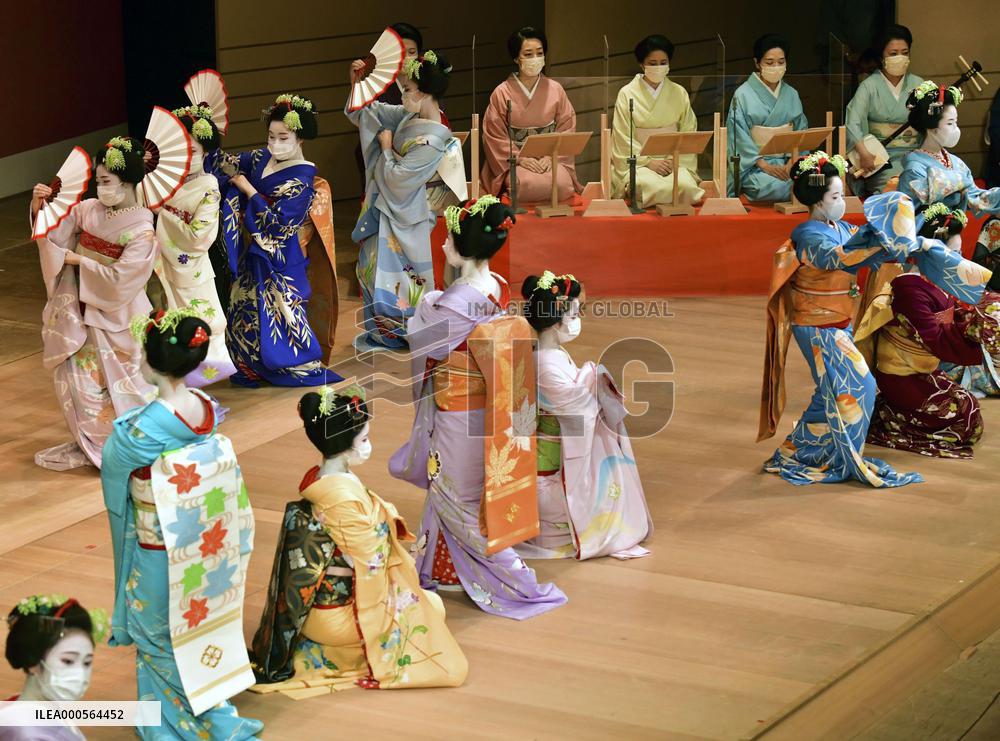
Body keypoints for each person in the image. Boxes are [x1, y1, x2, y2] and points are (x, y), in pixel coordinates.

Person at [758, 151, 991, 486]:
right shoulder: (808, 234)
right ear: (818, 202)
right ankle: (841, 457)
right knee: (861, 387)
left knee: (828, 393)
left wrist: (905, 236)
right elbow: (840, 257)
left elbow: (865, 239)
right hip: (817, 324)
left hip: (835, 320)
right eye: (836, 196)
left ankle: (799, 451)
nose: (841, 202)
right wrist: (880, 244)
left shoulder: (836, 226)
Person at [389, 195, 567, 618]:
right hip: (486, 404)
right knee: (451, 489)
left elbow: (423, 339)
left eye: (448, 238)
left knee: (457, 497)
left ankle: (518, 580)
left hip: (458, 410)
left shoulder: (456, 301)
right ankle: (434, 569)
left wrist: (421, 305)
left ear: (460, 246)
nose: (444, 244)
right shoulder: (497, 286)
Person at [100, 308, 262, 740]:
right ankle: (204, 710)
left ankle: (192, 724)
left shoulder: (141, 430)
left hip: (160, 550)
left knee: (154, 632)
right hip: (204, 545)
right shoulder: (206, 408)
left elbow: (114, 482)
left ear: (148, 361)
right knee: (194, 626)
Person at [249, 386, 468, 697]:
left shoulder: (322, 478)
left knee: (427, 604)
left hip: (328, 600)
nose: (368, 445)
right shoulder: (340, 498)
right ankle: (348, 649)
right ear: (343, 443)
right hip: (336, 613)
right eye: (363, 439)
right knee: (432, 609)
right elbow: (370, 564)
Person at [30, 137, 156, 471]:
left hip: (121, 313)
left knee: (130, 386)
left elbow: (124, 279)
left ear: (126, 182)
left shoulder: (143, 228)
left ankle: (129, 445)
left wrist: (79, 261)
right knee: (80, 386)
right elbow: (52, 238)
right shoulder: (87, 210)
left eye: (105, 182)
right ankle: (95, 442)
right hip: (82, 314)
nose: (100, 188)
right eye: (98, 181)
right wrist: (39, 208)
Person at [515, 271, 652, 560]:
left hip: (554, 462)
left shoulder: (547, 354)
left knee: (615, 495)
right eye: (576, 313)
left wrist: (591, 378)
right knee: (608, 499)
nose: (579, 320)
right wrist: (594, 377)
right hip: (547, 475)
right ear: (556, 320)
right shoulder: (545, 364)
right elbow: (580, 408)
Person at [855, 204, 1000, 457]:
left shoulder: (936, 278)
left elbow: (957, 313)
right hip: (901, 373)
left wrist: (985, 314)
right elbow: (935, 338)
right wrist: (977, 328)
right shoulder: (909, 287)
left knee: (968, 408)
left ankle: (890, 413)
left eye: (958, 252)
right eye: (951, 253)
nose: (958, 259)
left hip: (923, 368)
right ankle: (890, 424)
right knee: (964, 420)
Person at [219, 93, 340, 387]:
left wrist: (248, 191)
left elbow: (279, 225)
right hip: (253, 250)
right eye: (271, 136)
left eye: (283, 137)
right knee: (243, 305)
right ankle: (249, 364)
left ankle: (291, 363)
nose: (274, 144)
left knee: (282, 311)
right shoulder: (261, 158)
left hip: (280, 252)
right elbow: (226, 164)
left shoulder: (302, 180)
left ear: (299, 138)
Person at [347, 50, 466, 349]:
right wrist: (357, 84)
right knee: (371, 268)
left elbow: (399, 179)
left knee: (399, 278)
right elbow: (367, 113)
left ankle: (405, 330)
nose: (403, 95)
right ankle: (382, 331)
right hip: (390, 207)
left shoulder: (435, 138)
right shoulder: (408, 115)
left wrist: (387, 148)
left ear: (425, 93)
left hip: (408, 213)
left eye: (409, 90)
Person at [145, 103, 235, 386]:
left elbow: (199, 237)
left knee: (195, 325)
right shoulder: (161, 183)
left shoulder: (209, 185)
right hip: (160, 265)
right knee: (163, 323)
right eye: (181, 152)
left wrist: (163, 213)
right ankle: (171, 382)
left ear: (206, 152)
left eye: (193, 152)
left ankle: (196, 385)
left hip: (190, 267)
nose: (186, 158)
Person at [481, 27, 581, 204]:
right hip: (517, 161)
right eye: (528, 54)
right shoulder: (502, 93)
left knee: (561, 185)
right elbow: (494, 135)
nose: (535, 59)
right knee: (524, 184)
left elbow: (567, 127)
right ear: (515, 58)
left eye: (539, 53)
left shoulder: (556, 89)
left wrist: (552, 157)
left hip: (551, 158)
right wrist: (519, 159)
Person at [611, 35, 704, 209]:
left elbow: (688, 131)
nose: (659, 67)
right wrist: (649, 162)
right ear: (641, 64)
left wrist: (672, 160)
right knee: (646, 186)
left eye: (663, 62)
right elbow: (623, 139)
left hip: (674, 161)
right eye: (652, 63)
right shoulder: (627, 93)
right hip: (642, 164)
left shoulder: (679, 92)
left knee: (685, 185)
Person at [3, 595, 107, 740]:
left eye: (87, 663)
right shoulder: (27, 734)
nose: (80, 674)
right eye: (68, 661)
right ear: (34, 661)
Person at [897, 81, 1000, 214]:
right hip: (926, 233)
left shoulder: (957, 163)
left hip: (955, 232)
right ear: (931, 127)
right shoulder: (914, 169)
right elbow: (908, 217)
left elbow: (978, 198)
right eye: (950, 123)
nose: (956, 129)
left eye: (956, 122)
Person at [727, 34, 808, 202]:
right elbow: (738, 137)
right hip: (756, 167)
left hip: (788, 163)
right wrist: (764, 165)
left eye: (781, 62)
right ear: (757, 63)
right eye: (769, 63)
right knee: (777, 189)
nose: (776, 67)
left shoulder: (792, 94)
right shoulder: (742, 95)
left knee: (816, 182)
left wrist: (792, 162)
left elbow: (801, 133)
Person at [845, 24, 923, 196]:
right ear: (881, 57)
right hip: (881, 158)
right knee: (898, 191)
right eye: (893, 54)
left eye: (905, 52)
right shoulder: (869, 86)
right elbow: (853, 121)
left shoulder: (919, 84)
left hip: (916, 155)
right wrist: (864, 153)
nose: (900, 57)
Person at [353, 22, 424, 194]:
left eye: (412, 52)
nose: (406, 58)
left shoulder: (427, 86)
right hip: (385, 155)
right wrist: (355, 83)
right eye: (400, 53)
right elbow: (363, 119)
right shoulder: (376, 86)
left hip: (419, 156)